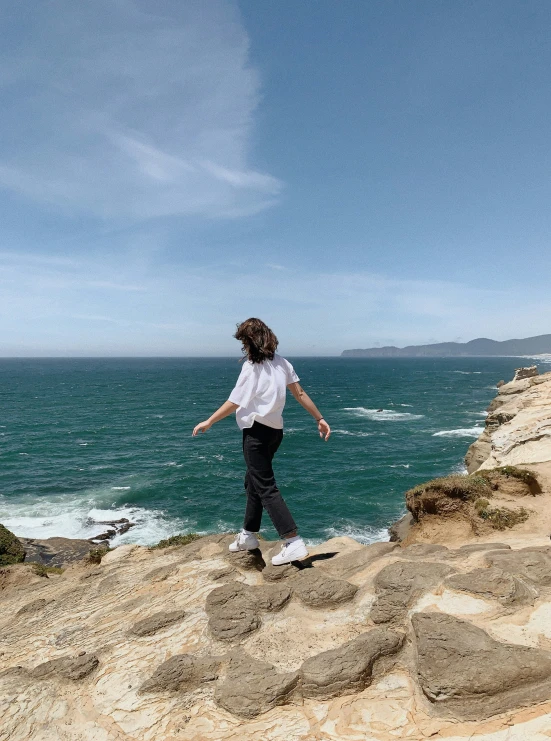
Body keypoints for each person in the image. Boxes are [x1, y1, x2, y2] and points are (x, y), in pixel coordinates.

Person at [192, 318, 330, 566]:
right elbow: (300, 393)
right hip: (275, 433)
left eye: (244, 341)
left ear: (250, 341)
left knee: (265, 486)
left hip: (255, 433)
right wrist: (319, 418)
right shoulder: (283, 363)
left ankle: (293, 541)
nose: (243, 347)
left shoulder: (251, 367)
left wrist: (209, 421)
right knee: (253, 480)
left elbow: (235, 401)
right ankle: (248, 535)